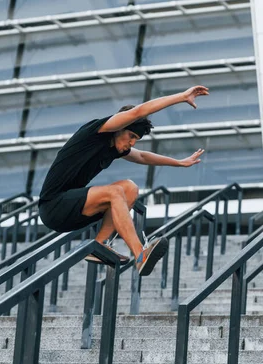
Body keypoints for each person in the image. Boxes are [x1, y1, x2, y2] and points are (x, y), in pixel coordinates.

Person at [38, 85, 209, 276]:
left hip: (74, 209)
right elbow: (138, 111)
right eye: (131, 136)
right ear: (119, 128)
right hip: (53, 206)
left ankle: (99, 245)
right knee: (114, 192)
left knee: (129, 188)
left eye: (136, 139)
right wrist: (181, 96)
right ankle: (140, 255)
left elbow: (143, 156)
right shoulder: (96, 132)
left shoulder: (114, 148)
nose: (132, 143)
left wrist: (179, 163)